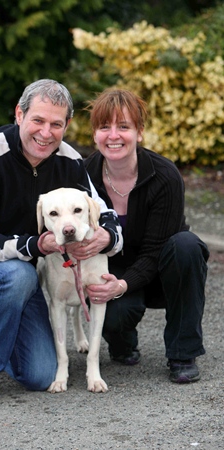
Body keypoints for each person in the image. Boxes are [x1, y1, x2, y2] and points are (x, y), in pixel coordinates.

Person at [0, 79, 123, 404]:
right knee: (18, 274)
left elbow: (104, 212)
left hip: (19, 278)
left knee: (41, 375)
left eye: (56, 124)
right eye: (38, 120)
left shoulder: (70, 161)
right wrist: (37, 246)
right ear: (19, 114)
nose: (46, 133)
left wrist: (107, 236)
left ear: (67, 125)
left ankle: (1, 330)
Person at [83, 88, 209, 383]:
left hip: (164, 272)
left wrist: (123, 285)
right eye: (105, 127)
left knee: (187, 245)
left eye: (123, 126)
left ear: (139, 132)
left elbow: (155, 250)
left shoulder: (164, 175)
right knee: (115, 319)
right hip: (111, 273)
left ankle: (183, 352)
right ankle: (122, 342)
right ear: (94, 134)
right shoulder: (83, 174)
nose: (113, 135)